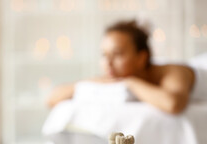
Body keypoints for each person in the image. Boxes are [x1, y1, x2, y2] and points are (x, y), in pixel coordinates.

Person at [47, 20, 195, 114]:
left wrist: (130, 83)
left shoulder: (175, 72)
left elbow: (173, 104)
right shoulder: (114, 76)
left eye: (117, 54)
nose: (108, 62)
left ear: (141, 58)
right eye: (104, 55)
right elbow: (51, 98)